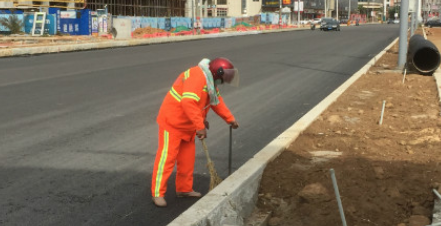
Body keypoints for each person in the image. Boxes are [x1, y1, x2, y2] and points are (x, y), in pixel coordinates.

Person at [151, 57, 240, 207]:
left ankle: (184, 189)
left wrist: (230, 119)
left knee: (187, 159)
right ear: (216, 73)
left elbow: (216, 102)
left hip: (188, 126)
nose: (223, 82)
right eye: (222, 79)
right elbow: (188, 102)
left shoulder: (210, 83)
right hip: (172, 123)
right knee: (167, 158)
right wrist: (200, 125)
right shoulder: (197, 77)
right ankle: (157, 193)